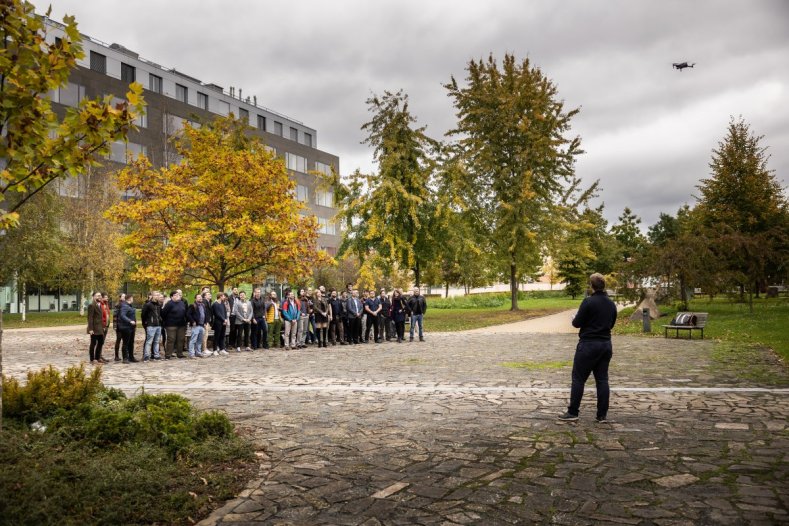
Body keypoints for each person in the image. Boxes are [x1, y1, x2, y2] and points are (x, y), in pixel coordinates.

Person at [559, 273, 618, 423]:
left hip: (588, 345)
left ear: (591, 286)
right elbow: (611, 324)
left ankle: (573, 412)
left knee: (578, 378)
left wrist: (575, 318)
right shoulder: (611, 304)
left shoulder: (588, 302)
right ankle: (601, 415)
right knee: (602, 379)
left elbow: (577, 323)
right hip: (605, 345)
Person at [161, 290, 187, 359]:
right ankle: (168, 355)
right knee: (171, 339)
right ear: (172, 297)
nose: (178, 296)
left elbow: (185, 312)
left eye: (178, 295)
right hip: (171, 325)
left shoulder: (182, 303)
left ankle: (180, 353)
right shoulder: (169, 304)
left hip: (181, 324)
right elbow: (163, 314)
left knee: (180, 339)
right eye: (175, 295)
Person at [141, 291, 163, 361]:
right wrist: (146, 323)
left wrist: (160, 320)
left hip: (158, 325)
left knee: (157, 341)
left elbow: (159, 314)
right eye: (156, 295)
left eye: (158, 295)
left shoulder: (159, 305)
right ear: (152, 296)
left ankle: (156, 355)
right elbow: (143, 315)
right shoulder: (148, 305)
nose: (157, 296)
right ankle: (146, 356)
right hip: (151, 325)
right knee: (149, 341)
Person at [86, 292, 107, 364]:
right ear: (93, 297)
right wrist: (90, 329)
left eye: (100, 296)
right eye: (98, 296)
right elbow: (90, 318)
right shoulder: (91, 305)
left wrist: (103, 326)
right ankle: (92, 359)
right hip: (94, 328)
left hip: (100, 328)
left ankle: (97, 358)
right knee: (93, 343)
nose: (100, 297)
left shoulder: (100, 305)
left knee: (101, 343)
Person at [187, 293, 209, 357]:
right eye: (198, 297)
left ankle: (198, 352)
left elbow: (205, 314)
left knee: (199, 340)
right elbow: (188, 314)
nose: (200, 298)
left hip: (202, 325)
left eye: (201, 297)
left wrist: (205, 322)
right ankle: (192, 353)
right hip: (195, 325)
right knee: (193, 340)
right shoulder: (192, 305)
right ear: (195, 299)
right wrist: (193, 321)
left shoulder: (203, 305)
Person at [118, 294, 138, 363]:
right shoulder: (124, 306)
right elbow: (122, 315)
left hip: (131, 328)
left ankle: (131, 357)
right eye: (132, 298)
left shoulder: (129, 306)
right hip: (126, 327)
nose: (133, 299)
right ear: (130, 298)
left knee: (131, 343)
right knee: (126, 343)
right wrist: (130, 321)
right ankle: (125, 358)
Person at [112, 293, 126, 361]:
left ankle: (125, 356)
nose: (124, 297)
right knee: (118, 340)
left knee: (125, 340)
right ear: (120, 297)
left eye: (125, 296)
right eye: (123, 296)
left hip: (125, 325)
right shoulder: (118, 305)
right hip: (119, 325)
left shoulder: (126, 304)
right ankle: (116, 356)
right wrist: (115, 326)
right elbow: (115, 316)